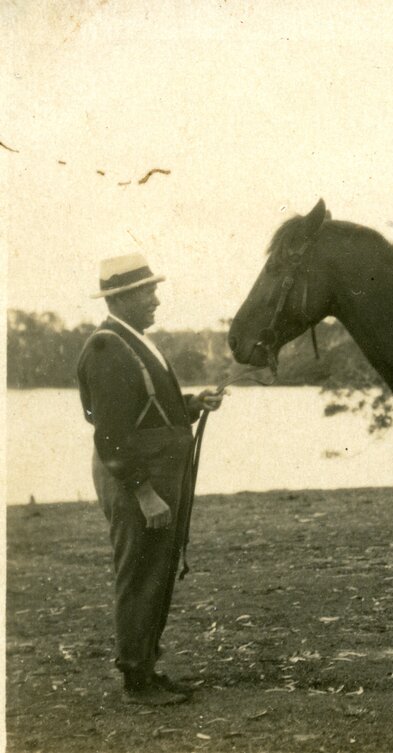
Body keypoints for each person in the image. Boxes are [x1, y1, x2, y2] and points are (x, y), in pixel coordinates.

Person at [77, 253, 225, 706]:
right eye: (148, 293)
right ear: (121, 299)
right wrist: (144, 493)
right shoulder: (107, 347)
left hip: (155, 476)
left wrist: (192, 403)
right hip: (136, 482)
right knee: (139, 572)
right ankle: (135, 680)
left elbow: (144, 406)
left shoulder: (133, 340)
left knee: (157, 570)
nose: (156, 301)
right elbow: (111, 434)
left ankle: (147, 667)